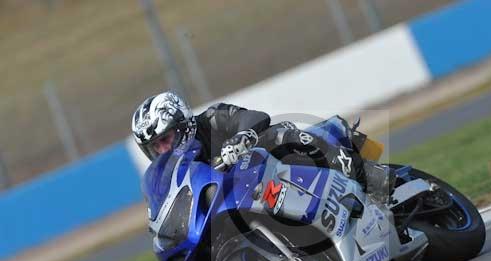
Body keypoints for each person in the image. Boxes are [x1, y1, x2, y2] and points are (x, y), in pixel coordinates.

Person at [131, 92, 395, 200]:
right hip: (254, 195)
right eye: (155, 147)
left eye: (164, 139)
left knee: (279, 135)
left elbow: (254, 117)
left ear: (182, 124)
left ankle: (366, 176)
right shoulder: (176, 174)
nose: (163, 150)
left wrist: (242, 137)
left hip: (275, 164)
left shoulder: (211, 119)